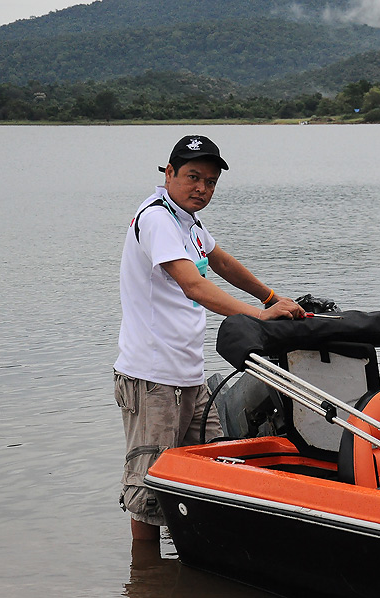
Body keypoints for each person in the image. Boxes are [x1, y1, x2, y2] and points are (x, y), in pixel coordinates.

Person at [113, 134, 305, 541]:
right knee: (148, 488)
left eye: (211, 182)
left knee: (214, 467)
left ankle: (194, 565)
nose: (202, 188)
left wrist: (271, 296)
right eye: (193, 177)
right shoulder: (157, 218)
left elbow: (220, 261)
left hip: (189, 377)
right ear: (168, 174)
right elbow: (194, 286)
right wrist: (260, 314)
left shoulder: (187, 220)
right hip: (152, 378)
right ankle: (144, 575)